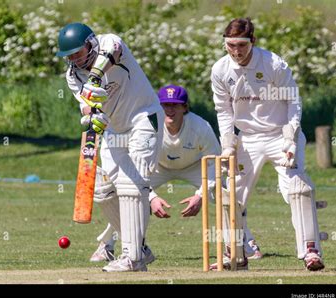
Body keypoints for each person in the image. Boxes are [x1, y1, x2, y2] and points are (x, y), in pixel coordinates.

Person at [90, 85, 262, 267]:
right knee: (129, 197)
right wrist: (151, 198)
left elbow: (215, 163)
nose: (170, 110)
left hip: (194, 166)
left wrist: (200, 195)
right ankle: (109, 244)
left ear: (184, 107)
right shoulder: (149, 126)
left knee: (224, 193)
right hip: (156, 167)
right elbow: (136, 164)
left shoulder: (200, 126)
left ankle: (240, 246)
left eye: (175, 105)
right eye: (165, 105)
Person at [210, 17, 324, 271]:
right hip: (248, 139)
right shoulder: (220, 69)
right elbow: (223, 110)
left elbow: (293, 102)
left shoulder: (273, 64)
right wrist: (228, 144)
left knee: (298, 189)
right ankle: (235, 253)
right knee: (231, 194)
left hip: (279, 135)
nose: (236, 52)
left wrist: (290, 139)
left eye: (241, 45)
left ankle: (310, 250)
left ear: (253, 41)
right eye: (230, 45)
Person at [56, 23, 164, 272]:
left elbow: (112, 53)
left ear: (90, 43)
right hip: (114, 130)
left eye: (77, 52)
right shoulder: (73, 76)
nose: (74, 59)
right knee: (102, 190)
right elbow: (86, 106)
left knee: (133, 186)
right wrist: (92, 116)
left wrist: (95, 77)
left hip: (143, 118)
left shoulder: (109, 42)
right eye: (69, 55)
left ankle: (133, 256)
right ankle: (140, 247)